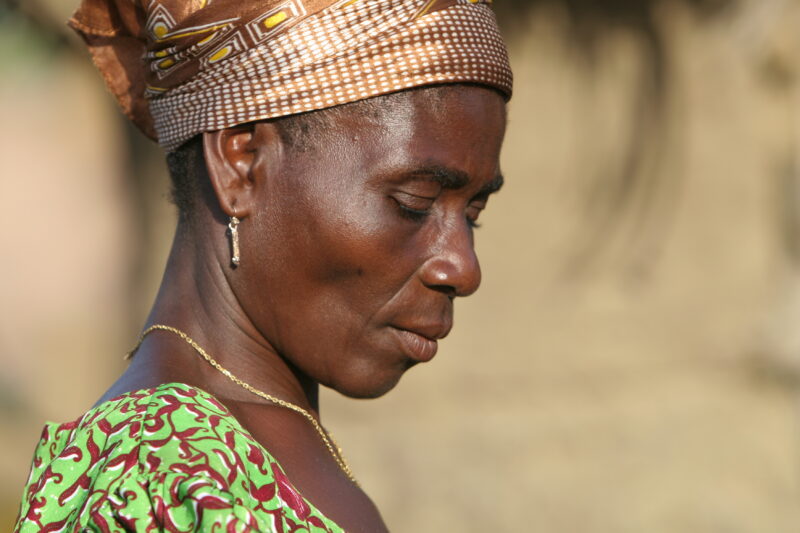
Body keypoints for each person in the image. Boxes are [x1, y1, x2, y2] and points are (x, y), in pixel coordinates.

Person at [14, 0, 512, 531]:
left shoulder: (234, 449)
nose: (462, 268)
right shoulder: (162, 474)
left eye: (473, 214)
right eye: (413, 201)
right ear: (241, 164)